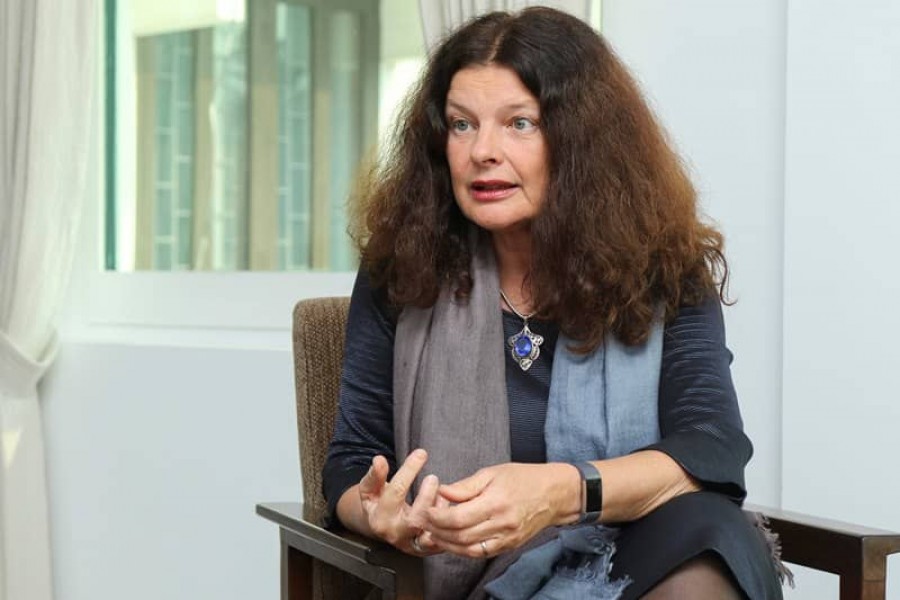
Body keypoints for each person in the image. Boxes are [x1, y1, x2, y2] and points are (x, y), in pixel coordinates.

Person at [323, 7, 784, 600]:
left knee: (706, 538)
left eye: (520, 123)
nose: (483, 151)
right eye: (462, 125)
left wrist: (562, 492)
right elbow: (352, 461)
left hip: (638, 558)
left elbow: (710, 446)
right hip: (476, 578)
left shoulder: (664, 268)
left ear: (579, 138)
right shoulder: (404, 269)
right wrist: (376, 514)